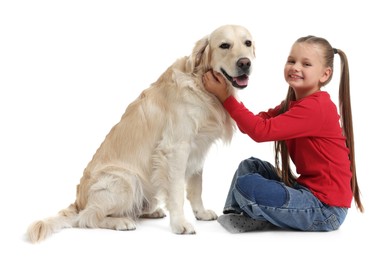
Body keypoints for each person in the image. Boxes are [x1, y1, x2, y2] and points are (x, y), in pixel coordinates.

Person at [202, 35, 364, 233]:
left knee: (247, 184)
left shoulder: (317, 107)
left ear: (324, 74)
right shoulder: (293, 105)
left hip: (326, 210)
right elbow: (254, 124)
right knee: (250, 166)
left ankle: (257, 214)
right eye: (291, 61)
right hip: (305, 191)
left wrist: (226, 98)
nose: (296, 67)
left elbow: (260, 132)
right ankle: (238, 214)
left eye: (306, 64)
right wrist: (226, 94)